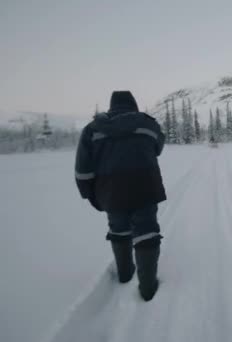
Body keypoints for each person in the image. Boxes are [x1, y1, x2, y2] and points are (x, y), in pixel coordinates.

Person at [75, 90, 166, 301]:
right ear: (133, 105)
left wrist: (90, 195)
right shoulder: (148, 124)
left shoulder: (92, 129)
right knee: (147, 232)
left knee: (119, 230)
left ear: (111, 106)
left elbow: (82, 169)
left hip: (110, 191)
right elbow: (158, 147)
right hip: (145, 186)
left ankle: (125, 275)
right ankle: (148, 289)